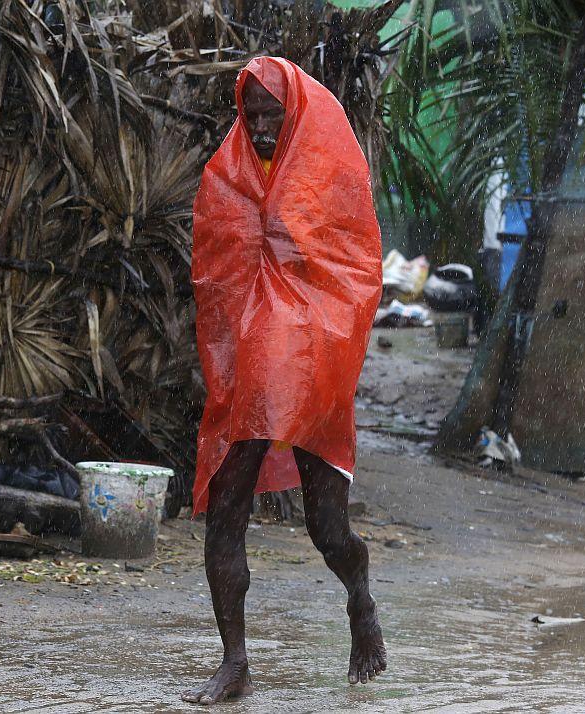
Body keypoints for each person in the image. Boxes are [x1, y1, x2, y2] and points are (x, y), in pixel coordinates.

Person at [183, 56, 385, 706]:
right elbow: (214, 272)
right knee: (225, 512)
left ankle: (360, 598)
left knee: (327, 529)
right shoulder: (227, 177)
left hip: (308, 369)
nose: (264, 127)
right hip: (248, 374)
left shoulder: (327, 173)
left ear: (296, 113)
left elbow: (353, 271)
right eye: (254, 114)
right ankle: (235, 660)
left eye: (275, 114)